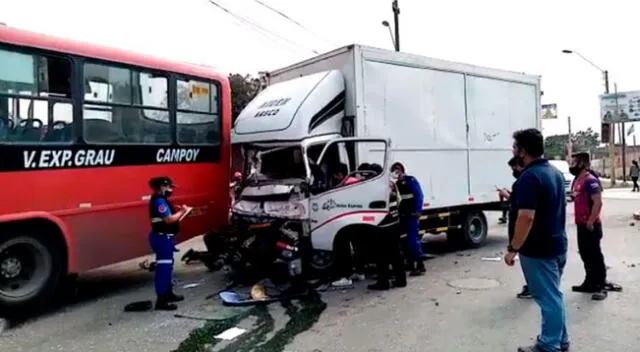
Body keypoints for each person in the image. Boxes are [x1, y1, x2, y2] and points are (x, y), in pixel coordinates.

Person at [504, 128, 570, 352]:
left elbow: (526, 217)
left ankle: (549, 346)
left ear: (523, 151)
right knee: (554, 296)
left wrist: (513, 248)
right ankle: (559, 340)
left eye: (515, 147)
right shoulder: (553, 172)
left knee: (549, 299)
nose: (513, 151)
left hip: (538, 250)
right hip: (557, 244)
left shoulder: (529, 178)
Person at [569, 152, 619, 300]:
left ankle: (600, 285)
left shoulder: (590, 180)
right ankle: (589, 282)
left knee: (594, 255)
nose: (571, 166)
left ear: (582, 164)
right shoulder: (578, 180)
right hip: (581, 224)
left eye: (573, 163)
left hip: (591, 225)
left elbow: (598, 202)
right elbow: (576, 196)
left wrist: (591, 220)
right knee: (585, 254)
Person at [148, 176, 190, 311]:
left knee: (168, 267)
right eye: (169, 187)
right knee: (163, 270)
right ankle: (161, 300)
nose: (171, 190)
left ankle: (168, 293)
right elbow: (169, 219)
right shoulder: (159, 201)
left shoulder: (162, 200)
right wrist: (182, 211)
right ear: (162, 186)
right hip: (161, 239)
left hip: (165, 238)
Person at [497, 156, 530, 299]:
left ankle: (532, 288)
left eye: (514, 168)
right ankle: (532, 286)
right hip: (525, 235)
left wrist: (513, 249)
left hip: (526, 236)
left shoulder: (526, 181)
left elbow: (525, 214)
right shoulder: (524, 182)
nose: (513, 171)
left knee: (530, 264)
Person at [391, 162, 426, 276]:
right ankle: (411, 265)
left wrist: (417, 211)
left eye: (398, 170)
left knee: (412, 240)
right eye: (394, 170)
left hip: (411, 214)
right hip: (403, 215)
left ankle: (420, 265)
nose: (396, 172)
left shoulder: (410, 180)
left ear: (402, 170)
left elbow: (419, 195)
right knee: (404, 241)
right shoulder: (396, 184)